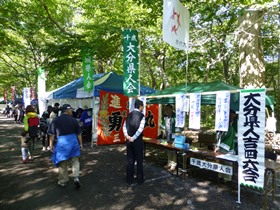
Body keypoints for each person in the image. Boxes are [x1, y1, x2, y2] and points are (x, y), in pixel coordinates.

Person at [48, 104, 83, 188]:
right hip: (73, 142)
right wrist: (81, 144)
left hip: (62, 143)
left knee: (62, 162)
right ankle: (76, 177)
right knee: (75, 160)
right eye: (71, 110)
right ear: (67, 111)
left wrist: (50, 145)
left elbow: (52, 134)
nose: (72, 111)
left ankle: (63, 181)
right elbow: (79, 134)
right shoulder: (74, 120)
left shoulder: (56, 120)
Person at [122, 99, 145, 186]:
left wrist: (127, 136)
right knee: (139, 160)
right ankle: (140, 179)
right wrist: (134, 137)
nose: (143, 108)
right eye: (143, 106)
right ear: (140, 106)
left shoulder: (129, 115)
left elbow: (124, 126)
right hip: (137, 141)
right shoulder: (142, 116)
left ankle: (129, 179)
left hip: (129, 140)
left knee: (130, 160)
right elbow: (140, 129)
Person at [160, 104, 177, 171]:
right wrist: (163, 129)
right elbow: (163, 125)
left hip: (174, 135)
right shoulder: (164, 116)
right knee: (168, 149)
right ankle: (169, 163)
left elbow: (178, 127)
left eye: (167, 109)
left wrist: (176, 135)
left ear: (171, 109)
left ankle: (174, 164)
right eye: (165, 109)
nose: (166, 111)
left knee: (174, 149)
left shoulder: (175, 116)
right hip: (167, 135)